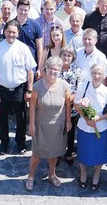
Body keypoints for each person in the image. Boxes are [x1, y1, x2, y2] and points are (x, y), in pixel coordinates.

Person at [25, 56, 72, 191]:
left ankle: (52, 174)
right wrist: (32, 124)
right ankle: (31, 176)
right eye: (51, 68)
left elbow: (68, 105)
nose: (53, 71)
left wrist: (68, 121)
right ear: (46, 69)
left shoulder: (64, 85)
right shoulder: (37, 86)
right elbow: (32, 106)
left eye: (56, 69)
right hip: (41, 125)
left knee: (54, 153)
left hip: (58, 125)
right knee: (37, 153)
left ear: (60, 71)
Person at [0, 21, 37, 155]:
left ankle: (20, 143)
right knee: (2, 119)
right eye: (9, 31)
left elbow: (30, 71)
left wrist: (29, 90)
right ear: (4, 32)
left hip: (19, 89)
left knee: (21, 118)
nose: (11, 34)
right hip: (2, 90)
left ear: (18, 33)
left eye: (14, 32)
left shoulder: (23, 48)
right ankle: (4, 143)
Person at [74, 63, 107, 189]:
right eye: (94, 73)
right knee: (83, 150)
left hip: (100, 126)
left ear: (104, 76)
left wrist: (98, 118)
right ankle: (83, 173)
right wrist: (86, 118)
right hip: (84, 125)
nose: (96, 76)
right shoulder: (82, 86)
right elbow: (76, 105)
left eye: (99, 74)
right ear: (91, 74)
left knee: (99, 152)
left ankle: (97, 174)